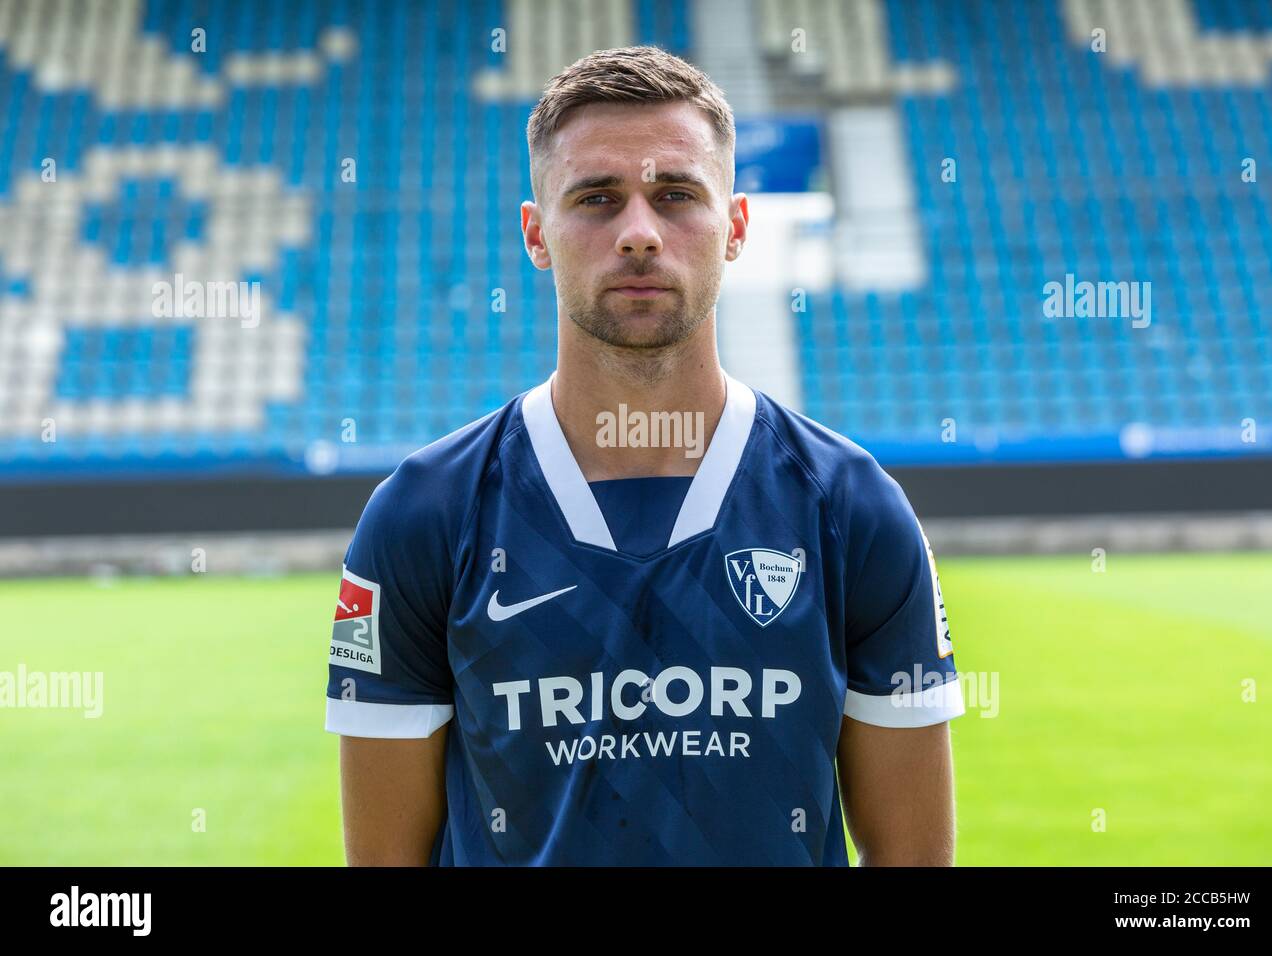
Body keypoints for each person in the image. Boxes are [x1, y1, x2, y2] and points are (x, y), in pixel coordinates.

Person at [326, 45, 964, 866]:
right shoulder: (422, 515)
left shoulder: (850, 509)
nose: (638, 233)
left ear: (735, 227)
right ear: (536, 234)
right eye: (596, 198)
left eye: (676, 196)